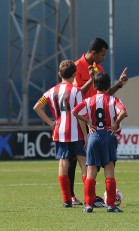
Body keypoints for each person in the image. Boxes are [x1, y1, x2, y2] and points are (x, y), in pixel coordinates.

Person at [69, 37, 128, 206]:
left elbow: (103, 93)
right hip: (81, 119)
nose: (103, 58)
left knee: (92, 163)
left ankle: (93, 199)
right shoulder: (76, 67)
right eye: (102, 54)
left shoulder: (98, 67)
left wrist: (118, 85)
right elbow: (76, 94)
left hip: (92, 119)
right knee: (75, 156)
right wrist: (91, 78)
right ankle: (72, 196)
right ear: (94, 53)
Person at [33, 60, 87, 208]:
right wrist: (86, 135)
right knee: (83, 161)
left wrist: (51, 123)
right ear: (75, 74)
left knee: (63, 162)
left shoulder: (50, 92)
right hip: (75, 131)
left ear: (59, 74)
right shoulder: (76, 91)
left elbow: (37, 107)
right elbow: (80, 114)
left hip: (60, 130)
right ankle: (89, 198)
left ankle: (66, 199)